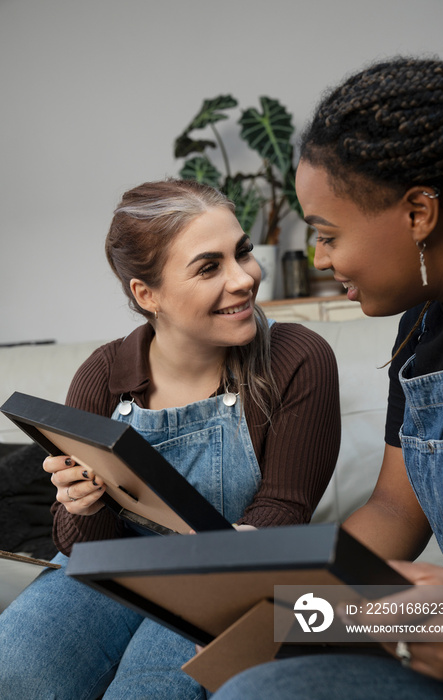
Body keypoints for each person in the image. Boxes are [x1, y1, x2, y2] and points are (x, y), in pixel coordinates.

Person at [0, 179, 340, 699]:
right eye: (210, 267)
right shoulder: (103, 373)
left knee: (153, 691)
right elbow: (78, 545)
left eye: (242, 252)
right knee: (17, 669)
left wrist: (244, 547)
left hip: (227, 568)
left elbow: (284, 508)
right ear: (147, 294)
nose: (244, 278)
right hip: (116, 567)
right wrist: (80, 505)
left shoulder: (297, 357)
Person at [211, 56, 443, 699]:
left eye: (326, 234)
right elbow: (391, 509)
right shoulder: (424, 333)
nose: (320, 260)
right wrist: (280, 586)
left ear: (417, 214)